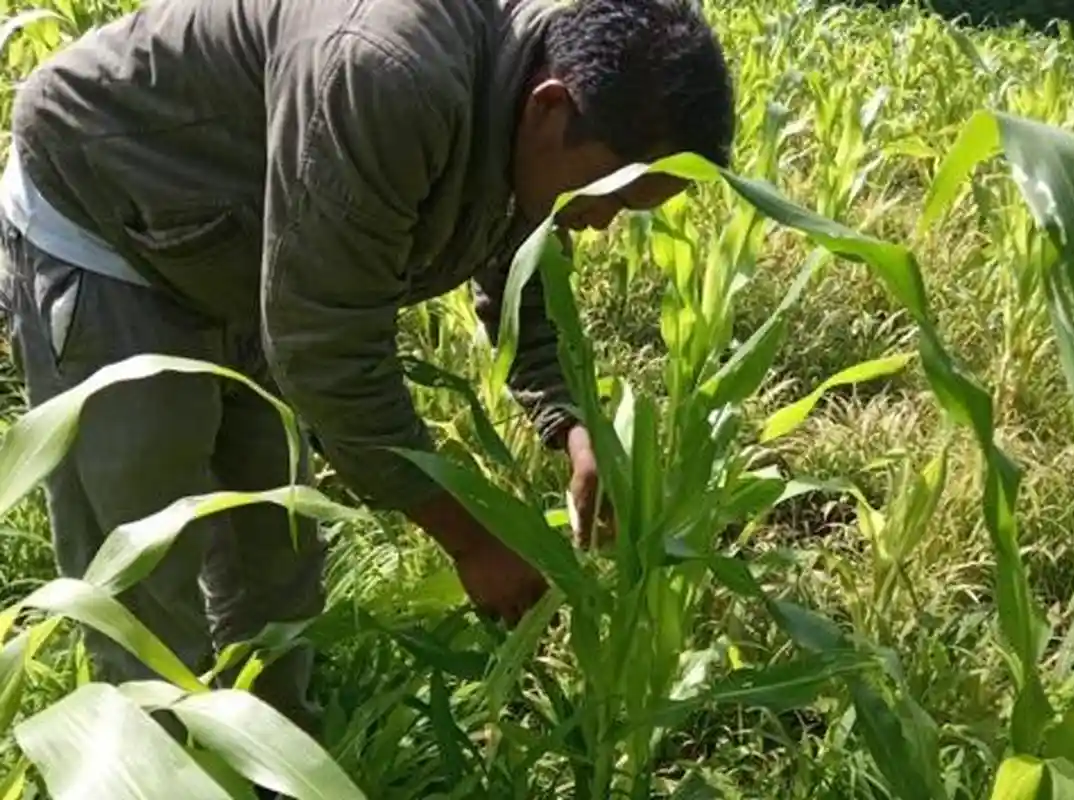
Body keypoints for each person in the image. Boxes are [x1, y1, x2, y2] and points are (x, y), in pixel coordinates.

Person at [0, 0, 735, 744]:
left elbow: (525, 271)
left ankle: (274, 756)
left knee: (276, 542)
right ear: (550, 109)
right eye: (610, 196)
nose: (602, 222)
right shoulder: (387, 76)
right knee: (147, 573)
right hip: (108, 213)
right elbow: (329, 351)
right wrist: (472, 540)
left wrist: (569, 422)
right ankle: (153, 769)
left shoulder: (538, 94)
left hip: (259, 245)